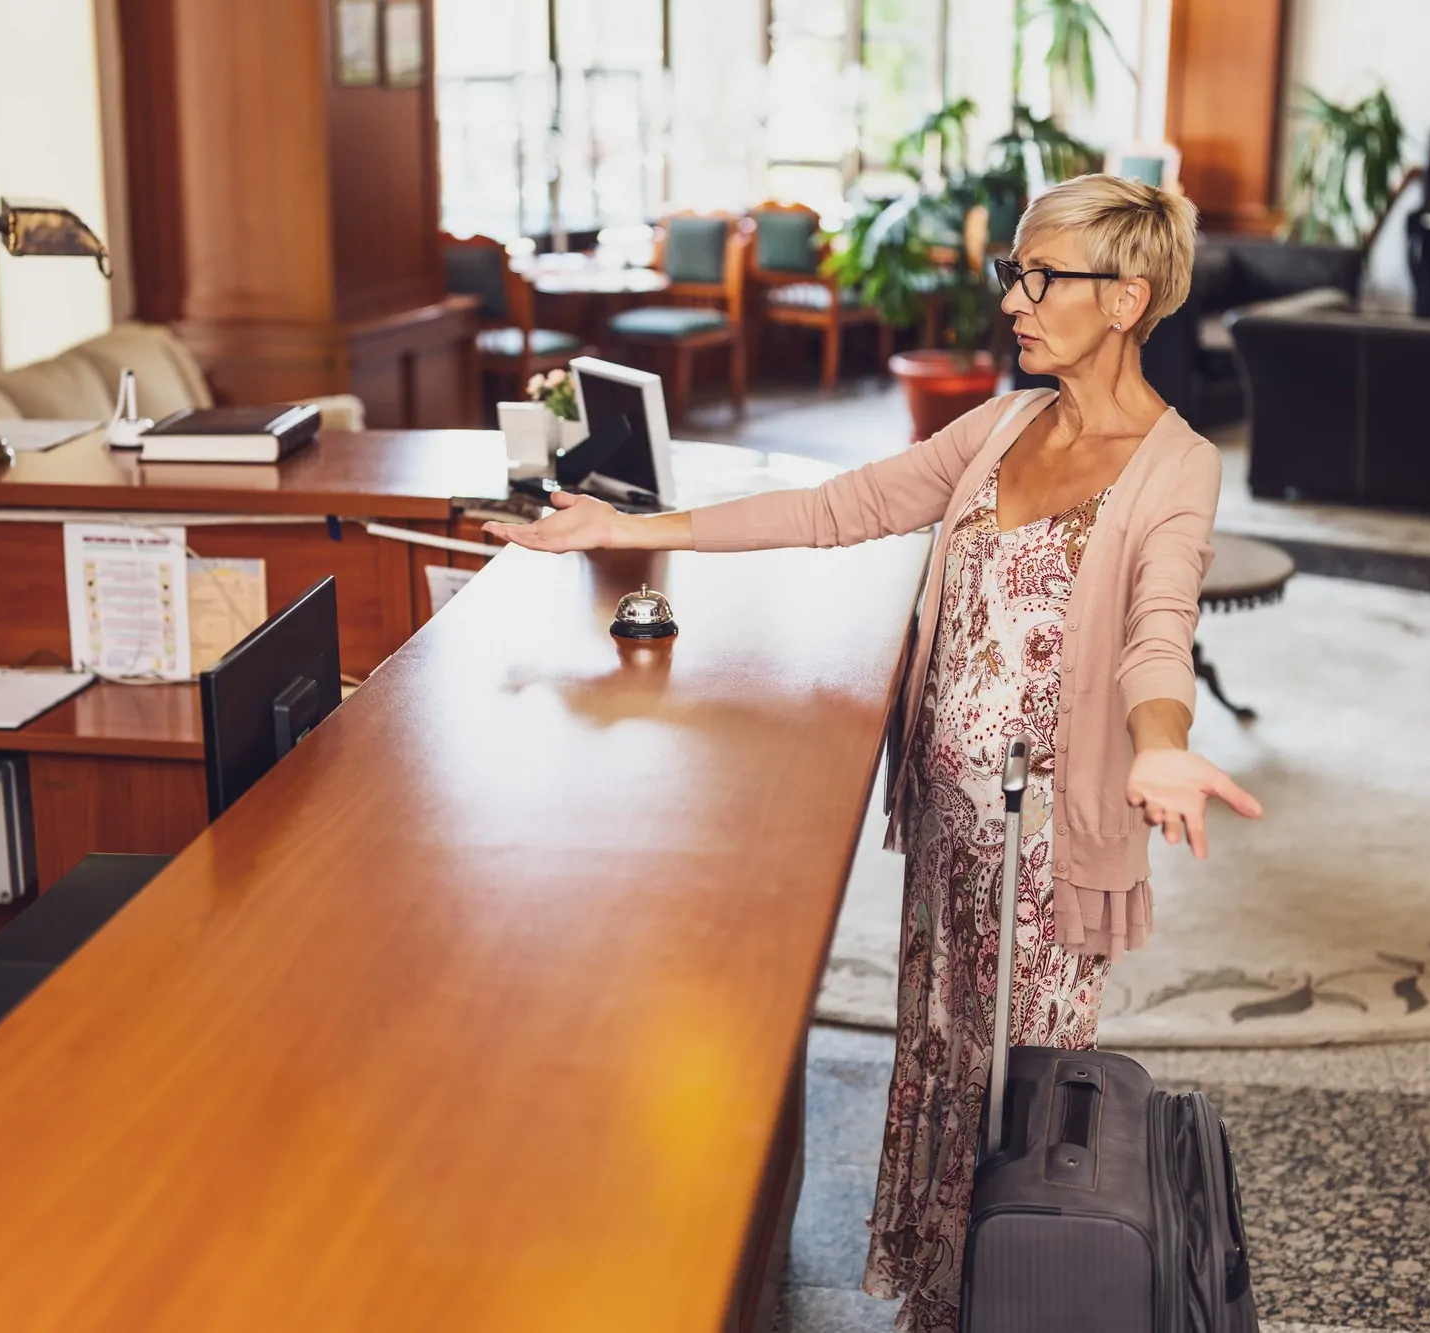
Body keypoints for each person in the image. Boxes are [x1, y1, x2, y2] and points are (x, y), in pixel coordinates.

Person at [484, 174, 1262, 1333]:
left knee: (1019, 1092)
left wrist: (1161, 743)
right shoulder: (1001, 426)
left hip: (1046, 853)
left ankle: (1012, 1303)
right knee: (943, 1060)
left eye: (1039, 276)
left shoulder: (1174, 465)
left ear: (1125, 297)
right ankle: (943, 1304)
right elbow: (836, 506)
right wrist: (626, 526)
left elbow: (1158, 632)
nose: (1013, 299)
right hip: (945, 821)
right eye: (1015, 271)